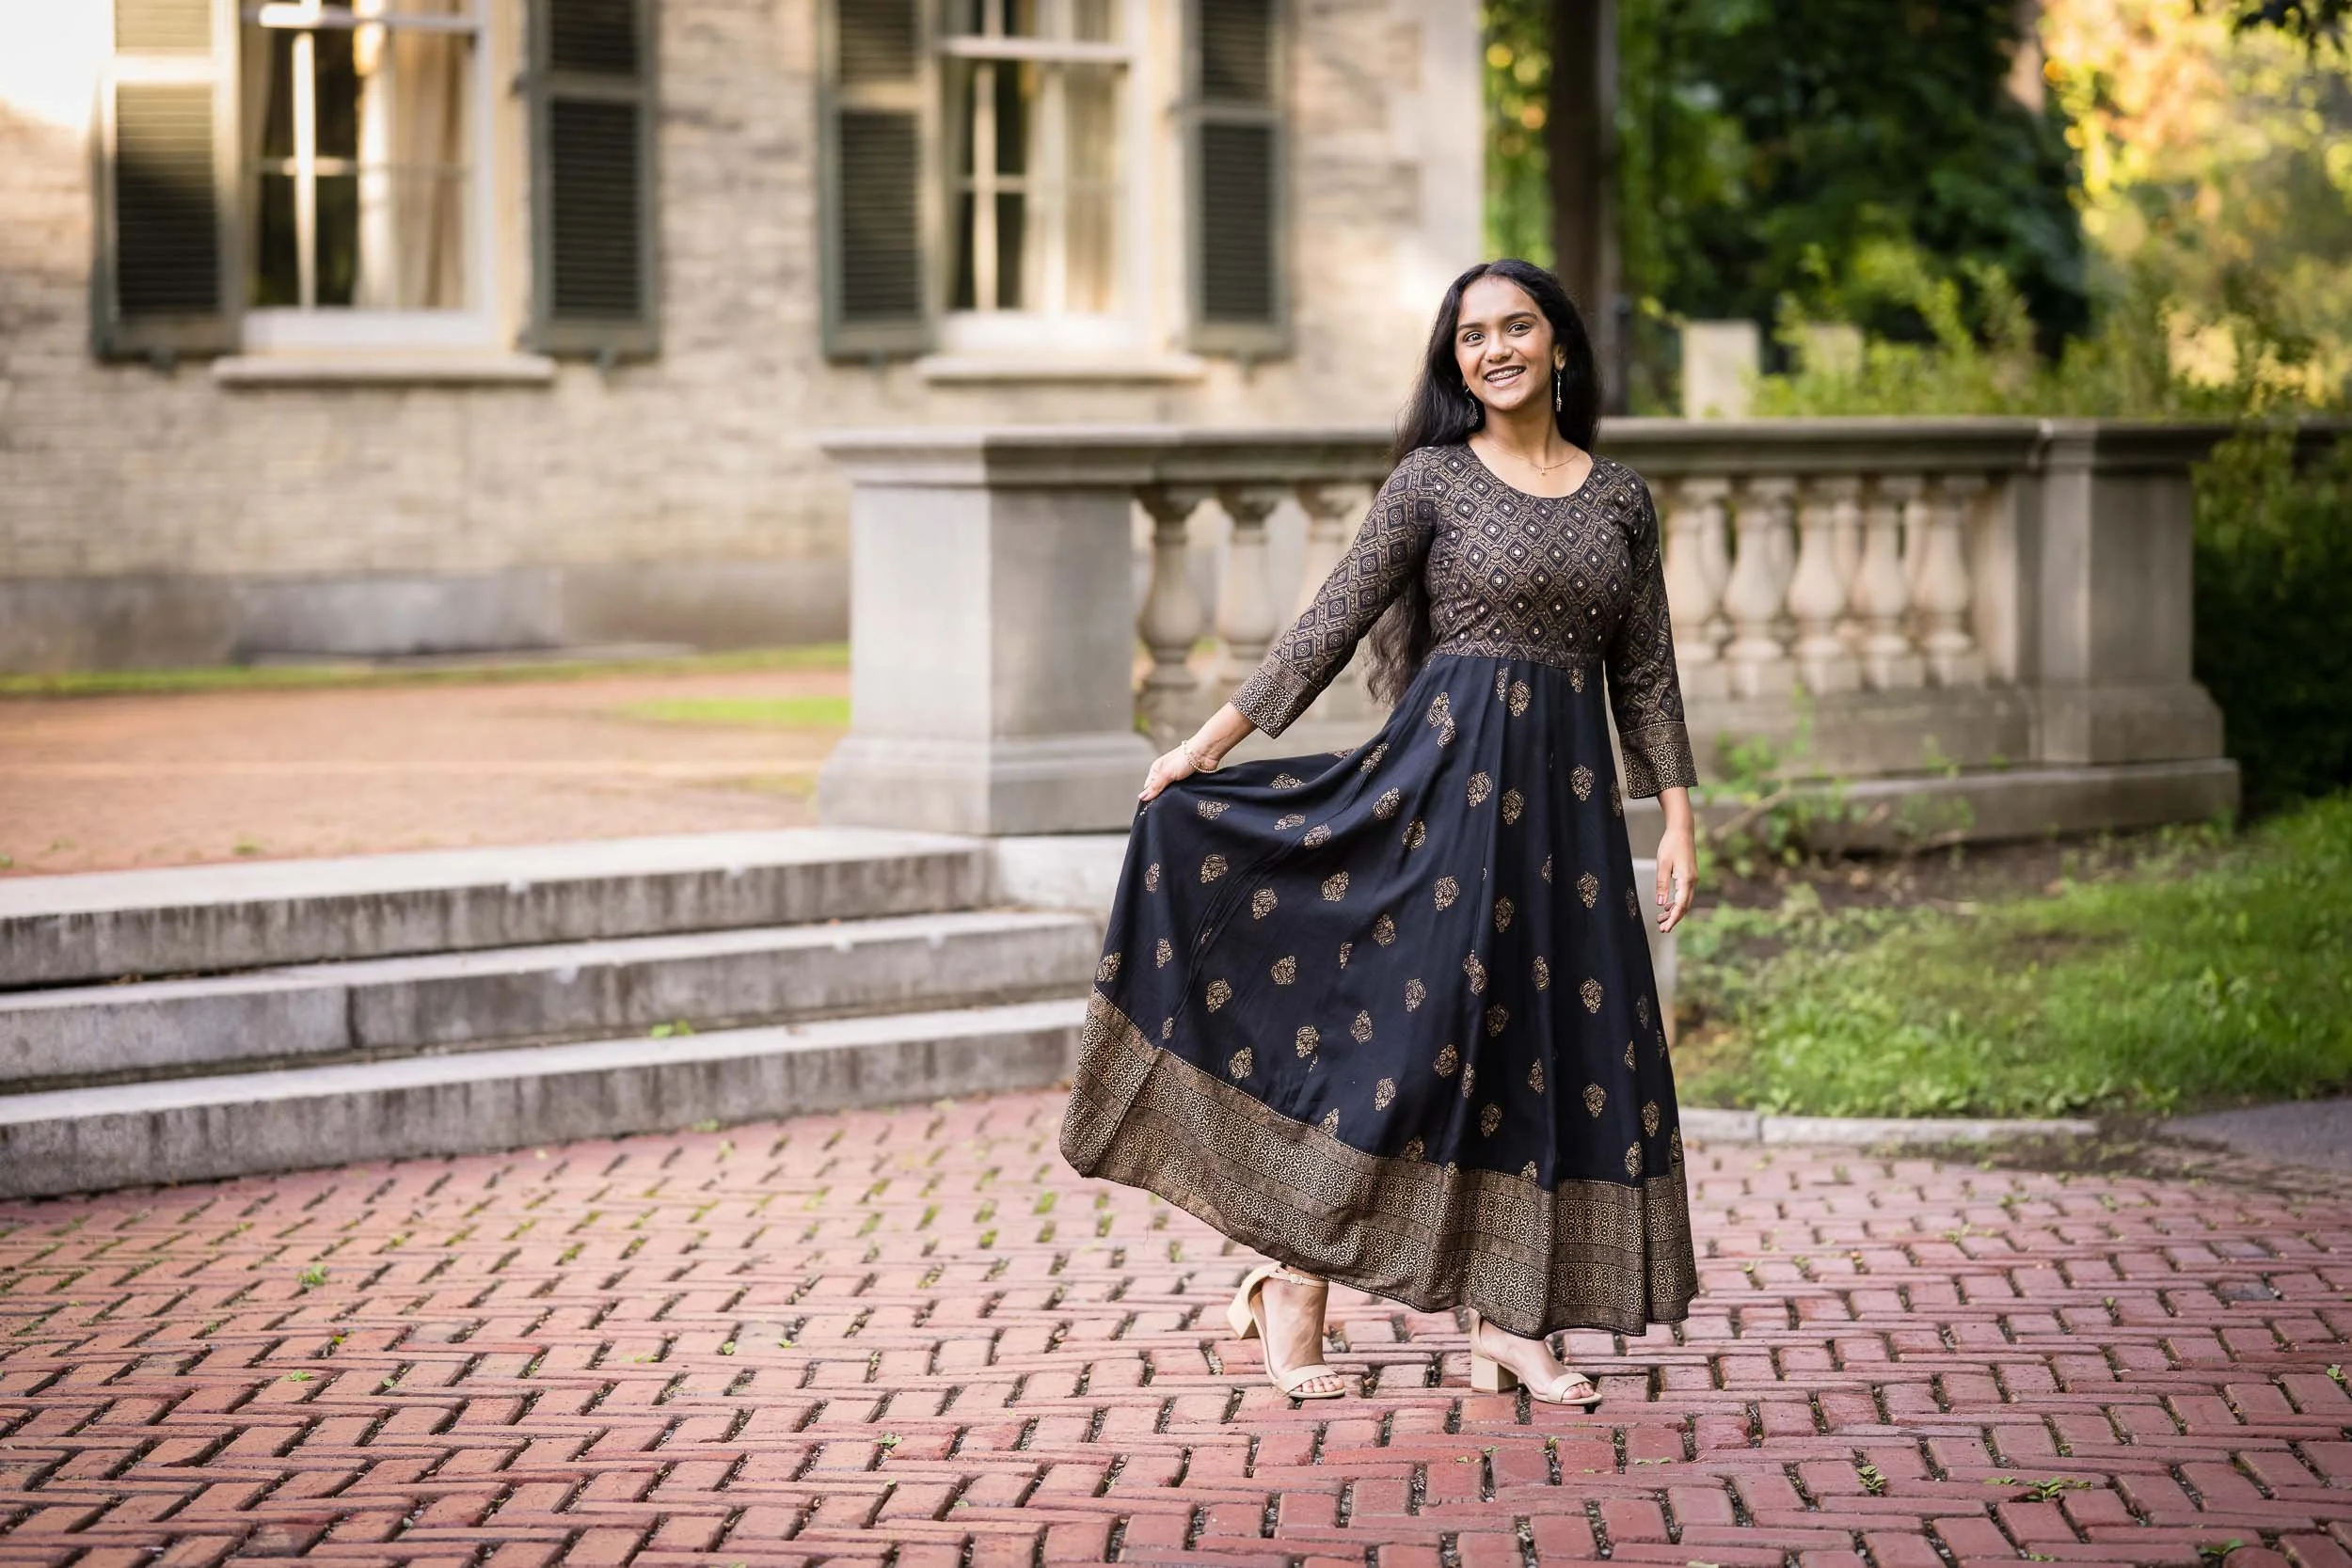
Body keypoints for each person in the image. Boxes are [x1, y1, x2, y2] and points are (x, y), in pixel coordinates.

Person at [1058, 259, 1700, 1404]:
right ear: (1453, 362)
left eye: (1515, 327)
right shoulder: (1433, 482)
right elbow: (1330, 619)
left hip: (1571, 823)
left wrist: (1680, 823)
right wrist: (1206, 745)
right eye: (1469, 336)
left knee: (1537, 1048)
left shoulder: (1619, 499)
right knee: (1402, 1051)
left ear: (1560, 344)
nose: (1493, 349)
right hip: (1442, 796)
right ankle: (1292, 1275)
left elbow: (1645, 669)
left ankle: (1509, 1318)